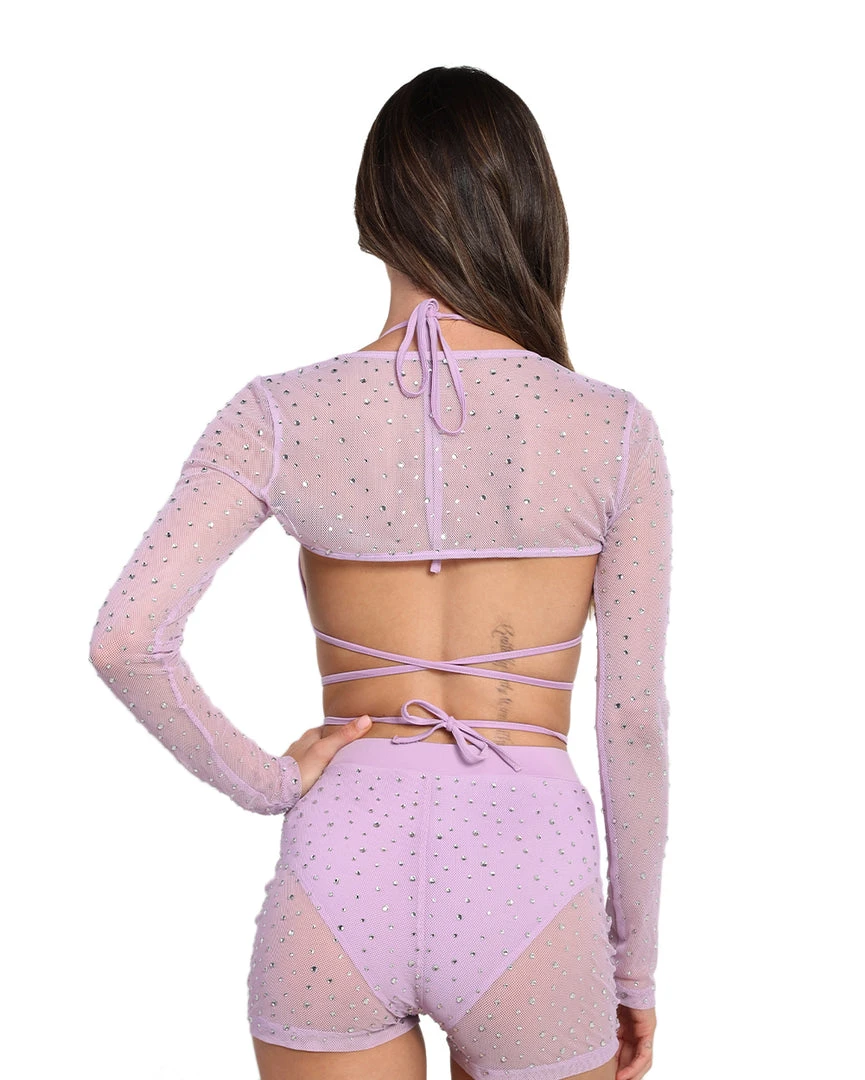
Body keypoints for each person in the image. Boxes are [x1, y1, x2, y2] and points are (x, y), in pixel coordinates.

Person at [89, 66, 671, 1080]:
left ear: (370, 217)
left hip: (338, 873)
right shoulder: (612, 431)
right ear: (533, 215)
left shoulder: (280, 413)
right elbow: (631, 721)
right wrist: (635, 969)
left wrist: (269, 780)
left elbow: (126, 638)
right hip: (528, 876)